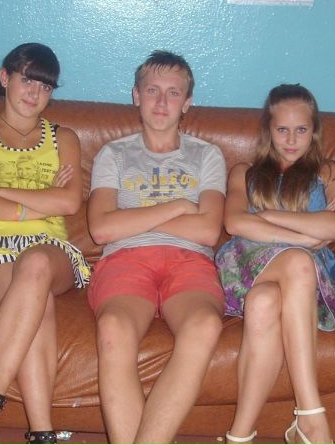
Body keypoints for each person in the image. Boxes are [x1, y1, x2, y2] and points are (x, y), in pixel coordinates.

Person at [0, 43, 91, 444]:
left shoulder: (64, 138)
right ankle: (42, 433)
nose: (35, 93)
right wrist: (38, 202)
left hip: (50, 248)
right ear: (5, 77)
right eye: (28, 80)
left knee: (37, 264)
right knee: (37, 301)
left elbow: (69, 203)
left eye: (45, 87)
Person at [87, 50, 227, 444]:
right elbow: (101, 229)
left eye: (173, 92)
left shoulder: (207, 155)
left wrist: (133, 218)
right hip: (126, 259)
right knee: (113, 327)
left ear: (188, 102)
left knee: (205, 325)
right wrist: (179, 206)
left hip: (190, 260)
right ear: (136, 95)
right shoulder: (113, 154)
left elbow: (208, 231)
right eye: (152, 90)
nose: (162, 102)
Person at [215, 84, 335, 444]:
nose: (291, 139)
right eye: (282, 129)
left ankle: (238, 435)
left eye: (301, 129)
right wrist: (306, 236)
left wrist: (267, 216)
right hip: (248, 265)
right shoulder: (244, 172)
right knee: (299, 262)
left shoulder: (330, 172)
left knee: (264, 303)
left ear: (314, 130)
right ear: (268, 130)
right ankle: (310, 415)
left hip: (305, 285)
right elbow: (235, 223)